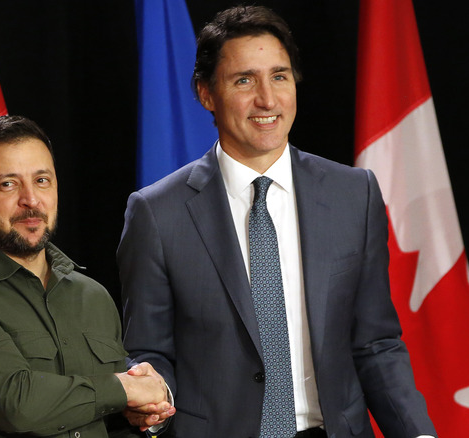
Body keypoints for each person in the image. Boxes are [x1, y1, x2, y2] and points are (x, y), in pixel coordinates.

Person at [118, 6, 436, 438]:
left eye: (280, 76)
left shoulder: (353, 193)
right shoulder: (156, 213)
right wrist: (155, 404)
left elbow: (376, 343)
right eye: (244, 80)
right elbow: (150, 351)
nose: (267, 99)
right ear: (206, 93)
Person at [0, 115, 173, 437]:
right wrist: (124, 388)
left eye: (42, 180)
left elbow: (107, 414)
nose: (31, 200)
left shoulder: (92, 295)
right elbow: (18, 405)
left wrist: (145, 411)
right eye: (8, 184)